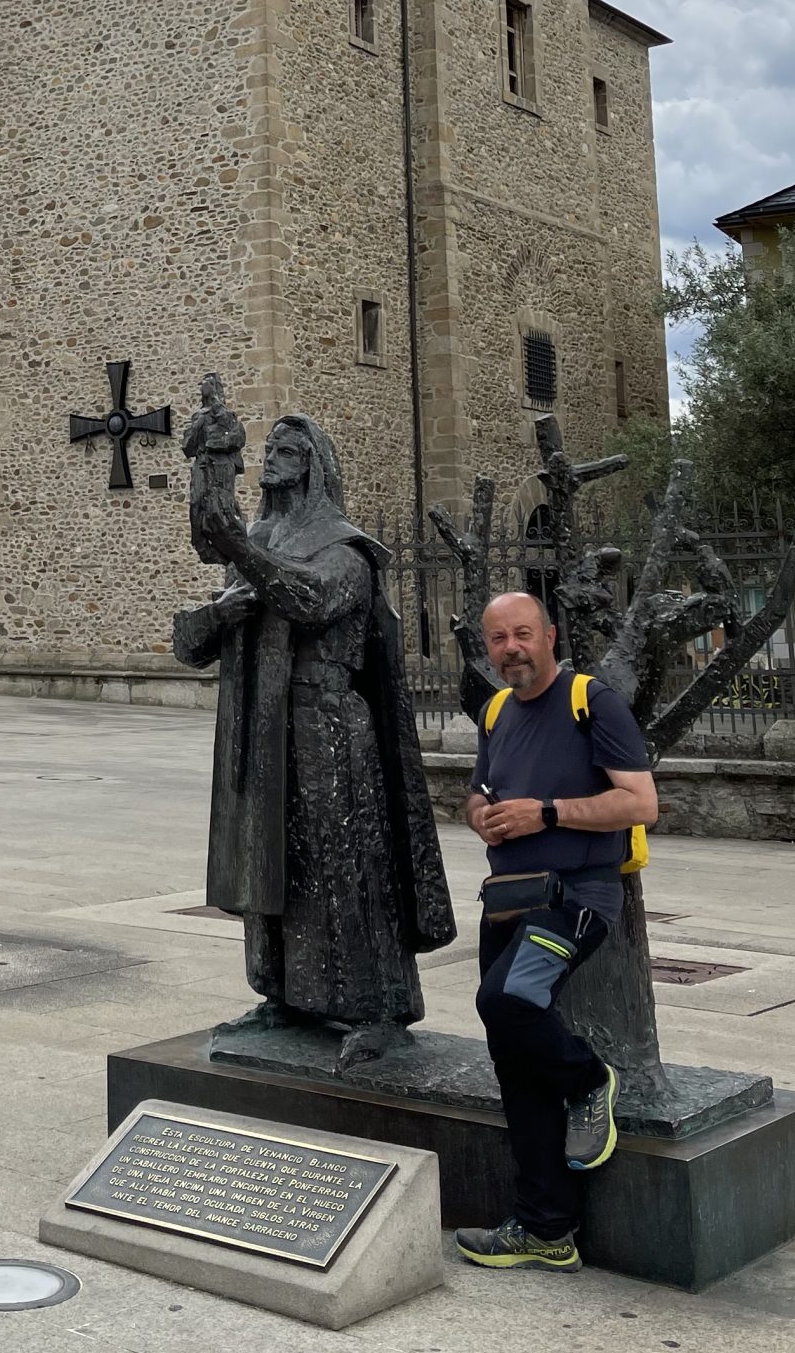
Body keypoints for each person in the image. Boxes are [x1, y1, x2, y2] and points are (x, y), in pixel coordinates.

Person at [174, 407, 454, 1067]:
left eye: (287, 452)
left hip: (330, 731)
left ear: (315, 469)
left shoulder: (347, 550)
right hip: (262, 728)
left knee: (342, 870)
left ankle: (377, 1009)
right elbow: (192, 648)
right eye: (268, 449)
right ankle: (283, 994)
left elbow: (312, 601)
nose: (270, 459)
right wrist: (220, 609)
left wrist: (244, 553)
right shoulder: (259, 540)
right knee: (268, 867)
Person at [454, 591, 658, 1271]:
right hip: (506, 899)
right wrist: (480, 812)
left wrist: (546, 813)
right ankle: (546, 1226)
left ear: (549, 635)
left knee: (504, 1001)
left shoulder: (591, 701)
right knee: (515, 1062)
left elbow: (640, 801)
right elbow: (482, 789)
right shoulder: (494, 711)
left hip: (575, 899)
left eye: (522, 635)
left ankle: (588, 1081)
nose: (510, 648)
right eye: (498, 639)